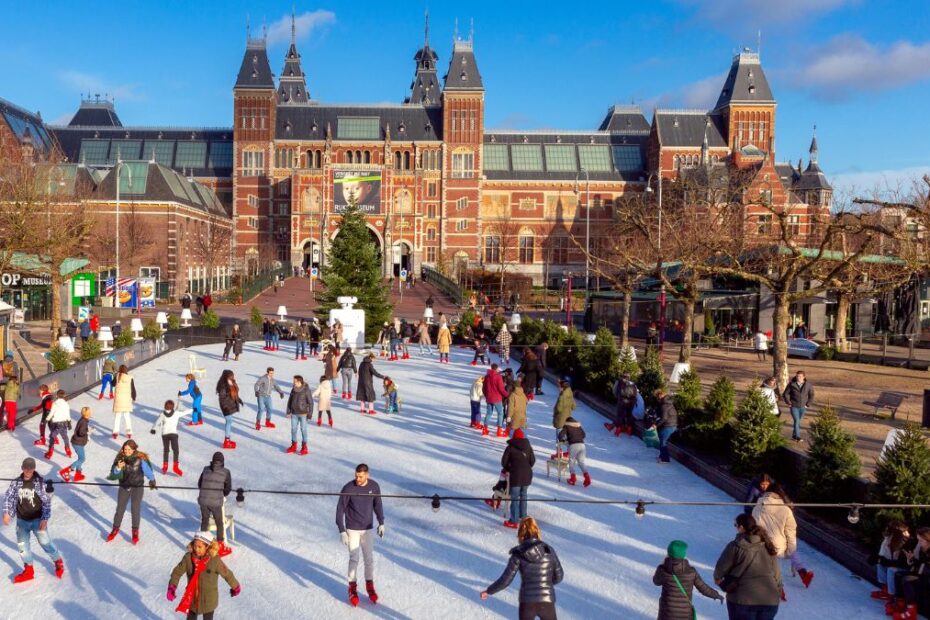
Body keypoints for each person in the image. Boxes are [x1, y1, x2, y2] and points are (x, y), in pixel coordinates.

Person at [480, 516, 563, 619]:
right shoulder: (548, 550)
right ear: (536, 530)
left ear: (521, 533)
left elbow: (505, 580)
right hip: (547, 601)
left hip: (527, 603)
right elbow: (559, 576)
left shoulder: (518, 553)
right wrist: (545, 584)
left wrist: (489, 591)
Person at [3, 457, 64, 583]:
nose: (28, 470)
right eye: (26, 468)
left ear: (34, 468)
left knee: (45, 543)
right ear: (22, 468)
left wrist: (45, 519)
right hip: (21, 521)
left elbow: (47, 501)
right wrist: (7, 513)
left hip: (37, 520)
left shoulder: (40, 483)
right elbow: (9, 497)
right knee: (23, 547)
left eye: (31, 468)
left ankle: (58, 561)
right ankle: (29, 571)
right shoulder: (16, 483)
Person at [714, 513, 782, 619]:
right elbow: (777, 575)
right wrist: (777, 591)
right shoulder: (767, 546)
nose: (735, 527)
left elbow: (720, 570)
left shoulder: (736, 546)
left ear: (741, 527)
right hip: (769, 600)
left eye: (735, 525)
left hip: (742, 600)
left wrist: (719, 581)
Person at [336, 464, 385, 607]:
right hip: (352, 529)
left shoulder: (374, 487)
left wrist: (381, 522)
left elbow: (378, 505)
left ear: (367, 475)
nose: (358, 479)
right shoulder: (348, 488)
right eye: (356, 476)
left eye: (361, 476)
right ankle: (352, 588)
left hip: (368, 529)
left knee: (369, 559)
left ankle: (370, 586)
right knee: (354, 558)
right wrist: (342, 530)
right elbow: (340, 510)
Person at [752, 483, 814, 589]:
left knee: (766, 563)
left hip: (760, 546)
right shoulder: (785, 510)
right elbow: (791, 532)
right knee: (792, 552)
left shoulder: (757, 507)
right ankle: (803, 573)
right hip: (779, 547)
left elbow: (753, 527)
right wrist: (791, 550)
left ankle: (777, 587)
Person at [167, 531, 240, 618]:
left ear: (207, 547)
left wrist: (235, 587)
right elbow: (177, 572)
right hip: (192, 598)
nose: (196, 549)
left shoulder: (214, 560)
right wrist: (172, 587)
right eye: (194, 546)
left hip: (209, 600)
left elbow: (227, 574)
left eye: (200, 547)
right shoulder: (188, 558)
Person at [654, 539, 724, 619]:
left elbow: (656, 581)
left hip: (666, 613)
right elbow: (703, 588)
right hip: (685, 614)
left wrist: (662, 565)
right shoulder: (691, 572)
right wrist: (716, 595)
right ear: (683, 554)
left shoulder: (662, 569)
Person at [106, 439, 157, 544]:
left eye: (129, 449)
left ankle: (135, 531)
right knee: (120, 509)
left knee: (135, 509)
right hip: (124, 487)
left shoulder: (140, 459)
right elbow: (114, 474)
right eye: (125, 449)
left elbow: (148, 471)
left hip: (137, 488)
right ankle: (115, 529)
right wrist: (118, 468)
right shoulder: (120, 459)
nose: (127, 451)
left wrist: (152, 480)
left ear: (134, 449)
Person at [198, 452, 233, 558]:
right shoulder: (226, 472)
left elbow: (199, 484)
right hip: (216, 502)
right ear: (222, 461)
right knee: (219, 523)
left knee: (205, 521)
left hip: (203, 500)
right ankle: (220, 546)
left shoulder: (205, 469)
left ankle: (202, 545)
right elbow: (228, 488)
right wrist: (222, 494)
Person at [890, 526, 930, 619]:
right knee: (898, 575)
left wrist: (920, 564)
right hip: (920, 574)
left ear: (928, 540)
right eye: (918, 540)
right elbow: (917, 564)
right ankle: (901, 604)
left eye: (921, 540)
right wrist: (911, 559)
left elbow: (925, 568)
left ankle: (911, 612)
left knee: (908, 580)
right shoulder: (921, 548)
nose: (919, 543)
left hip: (926, 578)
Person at [501, 428, 535, 528]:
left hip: (516, 475)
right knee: (524, 495)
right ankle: (523, 517)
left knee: (515, 497)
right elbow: (532, 461)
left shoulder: (510, 447)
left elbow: (504, 462)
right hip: (527, 475)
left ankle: (514, 521)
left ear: (514, 436)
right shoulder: (528, 447)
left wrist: (509, 468)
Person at [872, 520, 911, 607]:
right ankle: (886, 590)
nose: (887, 531)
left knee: (891, 570)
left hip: (905, 567)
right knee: (880, 564)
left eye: (889, 529)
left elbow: (902, 563)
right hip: (895, 564)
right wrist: (879, 559)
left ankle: (893, 596)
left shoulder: (905, 542)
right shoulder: (890, 539)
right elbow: (882, 554)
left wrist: (885, 561)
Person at [151, 399, 185, 476]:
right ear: (173, 406)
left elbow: (157, 422)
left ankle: (165, 466)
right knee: (175, 450)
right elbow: (184, 412)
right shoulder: (176, 413)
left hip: (165, 434)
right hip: (173, 434)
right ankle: (175, 467)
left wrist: (154, 429)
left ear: (165, 406)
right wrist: (193, 409)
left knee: (166, 450)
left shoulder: (162, 414)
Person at [59, 406, 92, 483]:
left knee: (80, 458)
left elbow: (81, 430)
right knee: (82, 459)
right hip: (78, 443)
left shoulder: (83, 420)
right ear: (88, 414)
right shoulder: (84, 422)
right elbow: (81, 432)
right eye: (90, 413)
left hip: (78, 442)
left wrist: (87, 431)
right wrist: (88, 432)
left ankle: (78, 474)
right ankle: (66, 471)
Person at [558, 417, 591, 487]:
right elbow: (584, 435)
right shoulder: (578, 426)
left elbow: (560, 435)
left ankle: (572, 479)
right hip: (582, 445)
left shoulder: (567, 426)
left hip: (573, 445)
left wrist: (563, 440)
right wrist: (577, 437)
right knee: (581, 462)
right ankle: (587, 478)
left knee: (571, 462)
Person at [782, 370, 813, 443]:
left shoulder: (808, 385)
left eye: (800, 376)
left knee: (798, 422)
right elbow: (785, 394)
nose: (798, 377)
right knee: (796, 420)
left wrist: (807, 404)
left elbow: (812, 395)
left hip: (803, 407)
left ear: (804, 377)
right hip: (794, 406)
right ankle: (798, 437)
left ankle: (794, 435)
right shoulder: (792, 384)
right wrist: (788, 403)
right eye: (797, 376)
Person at [285, 375, 312, 454]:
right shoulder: (293, 389)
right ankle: (293, 445)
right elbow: (290, 400)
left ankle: (304, 447)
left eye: (294, 381)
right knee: (293, 429)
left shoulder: (306, 390)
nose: (293, 382)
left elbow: (310, 402)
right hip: (294, 413)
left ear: (299, 381)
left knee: (303, 430)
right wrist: (288, 411)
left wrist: (310, 413)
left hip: (303, 414)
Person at [216, 370, 243, 449]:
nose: (232, 377)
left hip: (229, 405)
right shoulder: (223, 386)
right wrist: (225, 407)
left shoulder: (232, 382)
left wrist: (239, 400)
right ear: (226, 376)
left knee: (229, 421)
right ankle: (226, 441)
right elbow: (222, 398)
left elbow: (235, 394)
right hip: (226, 407)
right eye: (230, 376)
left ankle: (227, 439)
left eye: (232, 376)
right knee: (229, 421)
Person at [254, 367, 285, 431]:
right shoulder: (263, 378)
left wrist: (281, 392)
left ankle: (267, 422)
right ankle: (258, 423)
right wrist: (256, 391)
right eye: (270, 373)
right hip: (261, 396)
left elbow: (276, 386)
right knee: (261, 409)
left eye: (272, 373)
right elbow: (256, 384)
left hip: (268, 397)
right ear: (267, 372)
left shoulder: (272, 380)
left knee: (270, 409)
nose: (272, 374)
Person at [607, 372, 638, 436]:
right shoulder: (632, 383)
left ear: (622, 376)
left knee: (620, 415)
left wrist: (618, 397)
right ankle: (629, 429)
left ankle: (618, 430)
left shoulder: (619, 382)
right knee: (629, 415)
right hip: (631, 402)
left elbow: (614, 391)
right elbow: (635, 394)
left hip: (622, 400)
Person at [482, 363, 509, 437]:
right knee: (500, 413)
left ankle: (485, 429)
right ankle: (499, 430)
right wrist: (507, 395)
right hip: (497, 398)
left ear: (491, 368)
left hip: (489, 398)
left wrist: (486, 395)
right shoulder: (498, 377)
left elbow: (484, 388)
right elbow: (501, 389)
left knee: (489, 413)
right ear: (496, 369)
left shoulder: (487, 377)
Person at [552, 377, 576, 457]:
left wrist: (555, 411)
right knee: (566, 436)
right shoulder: (570, 394)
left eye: (559, 387)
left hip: (560, 419)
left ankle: (559, 453)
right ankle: (569, 452)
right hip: (567, 419)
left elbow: (559, 408)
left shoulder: (562, 396)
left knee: (559, 437)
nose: (558, 388)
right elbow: (574, 407)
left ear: (562, 387)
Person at [45, 390, 72, 461]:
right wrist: (69, 422)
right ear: (64, 395)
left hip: (56, 424)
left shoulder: (55, 404)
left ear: (57, 395)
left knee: (52, 437)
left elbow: (51, 413)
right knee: (65, 437)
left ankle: (50, 451)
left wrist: (47, 419)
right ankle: (68, 449)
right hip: (64, 424)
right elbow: (67, 414)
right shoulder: (66, 404)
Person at [112, 364, 137, 440]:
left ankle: (115, 432)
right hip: (126, 400)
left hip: (118, 401)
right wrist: (134, 397)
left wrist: (114, 375)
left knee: (118, 417)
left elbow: (112, 384)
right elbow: (133, 389)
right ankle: (129, 432)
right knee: (127, 417)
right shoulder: (130, 378)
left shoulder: (117, 376)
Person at [654, 389, 678, 464]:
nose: (657, 400)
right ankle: (662, 456)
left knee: (663, 441)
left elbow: (664, 418)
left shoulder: (664, 405)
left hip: (669, 425)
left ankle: (665, 459)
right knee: (662, 440)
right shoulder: (668, 402)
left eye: (657, 398)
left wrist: (656, 425)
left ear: (660, 396)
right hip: (672, 424)